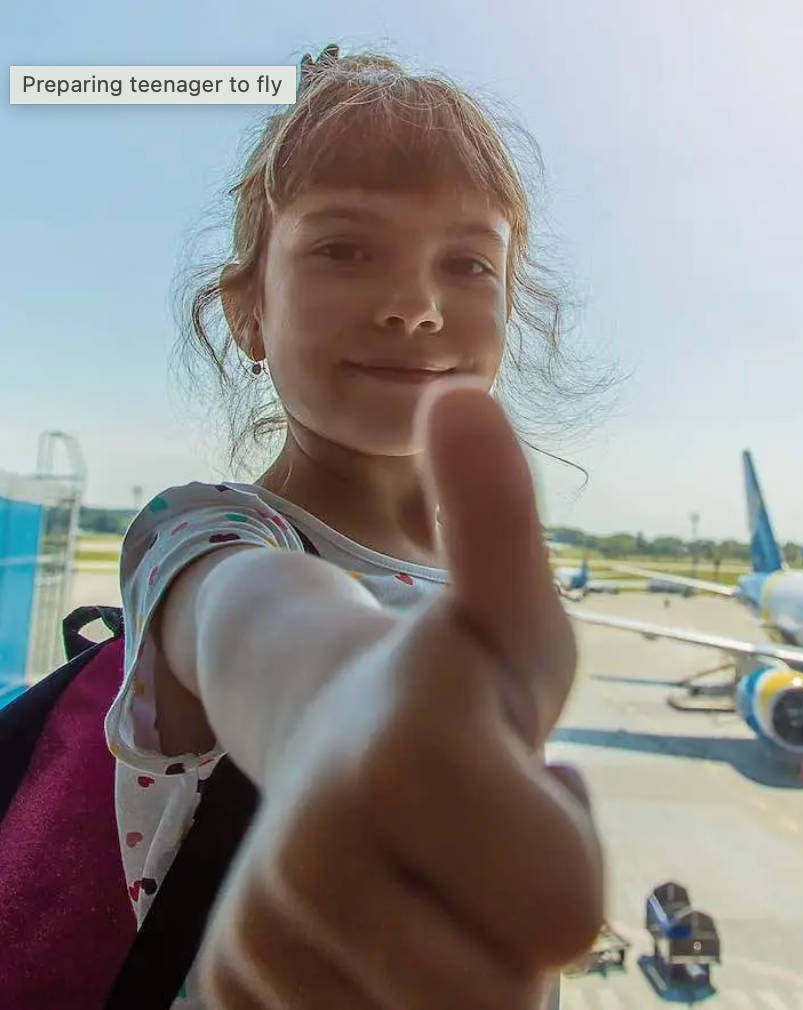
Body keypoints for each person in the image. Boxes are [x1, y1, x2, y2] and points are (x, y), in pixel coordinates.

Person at [104, 45, 603, 1008]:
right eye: (343, 249)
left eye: (465, 262)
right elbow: (259, 628)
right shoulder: (214, 537)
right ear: (246, 313)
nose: (415, 307)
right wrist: (336, 702)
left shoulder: (473, 596)